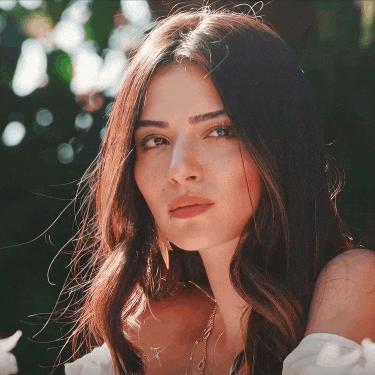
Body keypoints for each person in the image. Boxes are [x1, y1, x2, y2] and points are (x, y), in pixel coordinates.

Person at [59, 7, 375, 375]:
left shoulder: (354, 282)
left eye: (219, 131)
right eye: (156, 140)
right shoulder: (149, 328)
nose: (180, 170)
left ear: (279, 146)